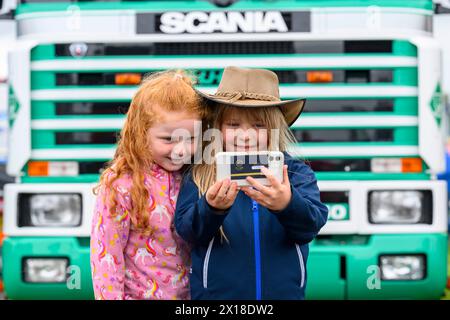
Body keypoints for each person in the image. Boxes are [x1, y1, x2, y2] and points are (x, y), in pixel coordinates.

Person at [174, 66, 328, 300]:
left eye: (258, 125)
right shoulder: (200, 173)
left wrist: (287, 204)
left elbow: (311, 226)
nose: (245, 136)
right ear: (218, 127)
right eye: (233, 125)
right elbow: (187, 231)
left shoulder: (296, 173)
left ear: (274, 129)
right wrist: (212, 209)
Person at [90, 70, 204, 300]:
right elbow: (107, 258)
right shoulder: (121, 183)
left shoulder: (198, 176)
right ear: (141, 134)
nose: (181, 150)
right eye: (168, 139)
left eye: (191, 138)